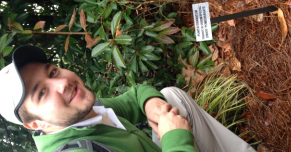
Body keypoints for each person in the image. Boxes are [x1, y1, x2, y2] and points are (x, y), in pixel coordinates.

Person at [0, 45, 256, 152]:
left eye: (52, 72)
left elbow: (135, 95)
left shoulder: (84, 115)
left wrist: (150, 104)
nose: (62, 82)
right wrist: (175, 139)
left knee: (168, 97)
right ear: (35, 124)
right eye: (42, 93)